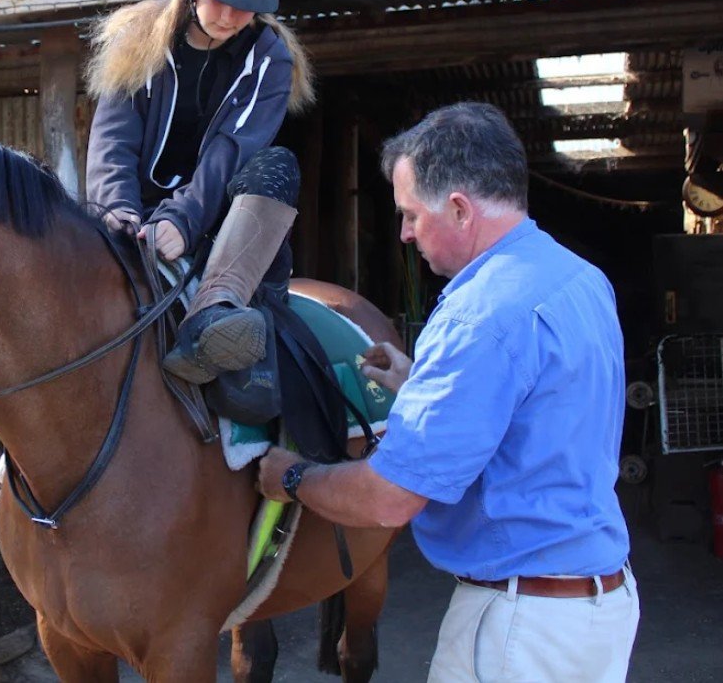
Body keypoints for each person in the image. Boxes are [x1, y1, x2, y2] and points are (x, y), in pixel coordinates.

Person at [0, 0, 315, 548]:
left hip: (226, 227)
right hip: (132, 226)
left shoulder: (270, 57)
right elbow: (112, 140)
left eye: (246, 6)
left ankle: (228, 345)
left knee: (277, 167)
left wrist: (181, 221)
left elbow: (231, 149)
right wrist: (117, 213)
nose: (230, 15)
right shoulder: (139, 38)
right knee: (50, 334)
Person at [257, 101, 640, 682]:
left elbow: (389, 500)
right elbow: (540, 409)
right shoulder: (581, 279)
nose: (405, 233)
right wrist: (423, 384)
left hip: (522, 626)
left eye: (410, 214)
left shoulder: (477, 316)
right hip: (598, 608)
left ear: (459, 208)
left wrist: (289, 476)